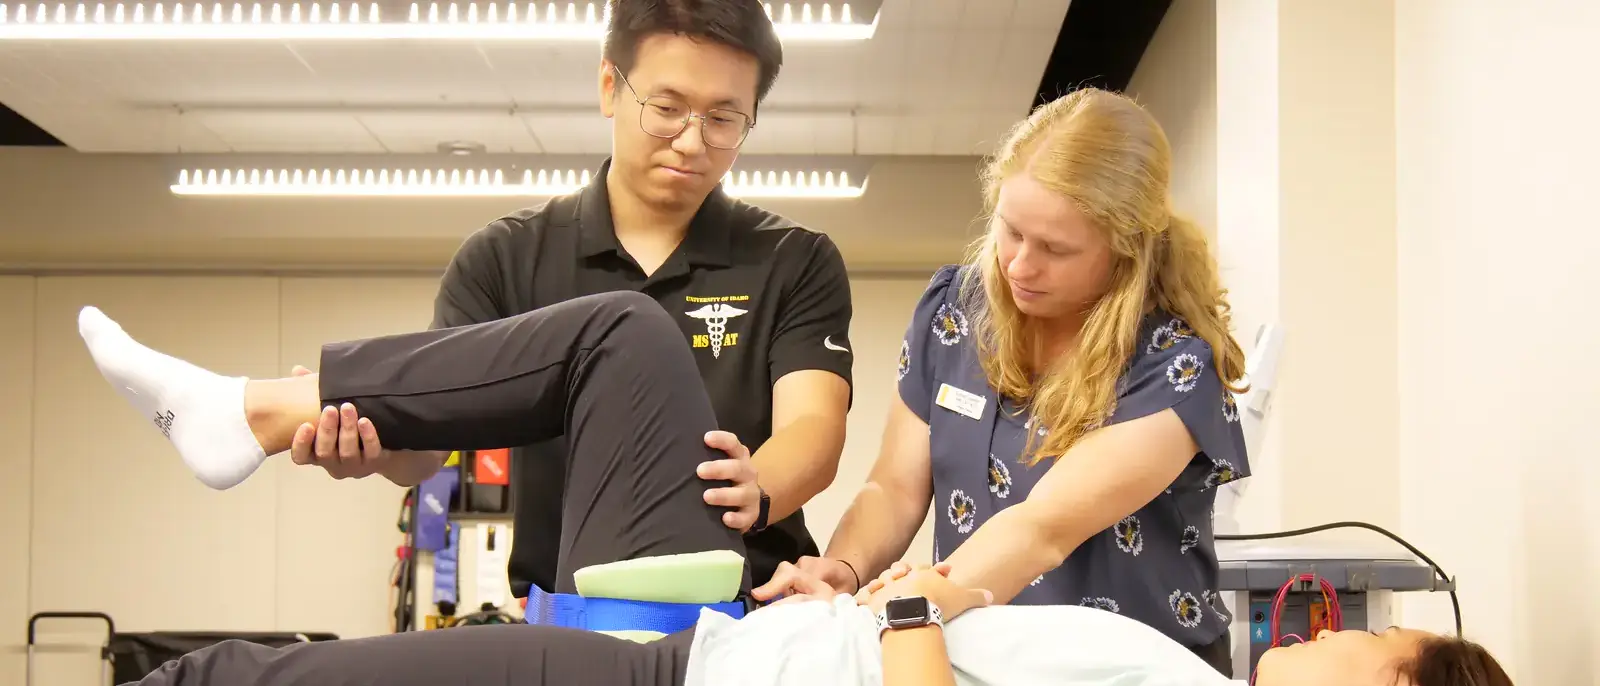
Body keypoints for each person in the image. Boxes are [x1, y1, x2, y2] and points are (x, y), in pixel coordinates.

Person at [79, 297, 1512, 686]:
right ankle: (251, 408)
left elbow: (1023, 540)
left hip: (709, 676)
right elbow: (900, 494)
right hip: (745, 633)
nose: (1320, 630)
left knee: (236, 678)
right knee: (621, 333)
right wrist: (863, 580)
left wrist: (908, 610)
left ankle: (239, 416)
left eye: (1360, 641)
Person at [284, 0, 854, 598]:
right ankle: (276, 409)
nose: (692, 142)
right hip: (569, 617)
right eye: (666, 109)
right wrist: (373, 452)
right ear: (611, 86)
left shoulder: (794, 260)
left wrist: (754, 485)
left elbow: (814, 426)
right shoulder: (505, 260)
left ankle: (260, 409)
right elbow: (426, 442)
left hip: (749, 611)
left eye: (724, 119)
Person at [752, 87, 1250, 673]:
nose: (1018, 264)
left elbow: (1043, 530)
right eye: (1010, 231)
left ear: (1126, 251)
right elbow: (894, 487)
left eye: (1055, 249)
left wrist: (896, 608)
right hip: (987, 664)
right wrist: (846, 570)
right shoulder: (953, 313)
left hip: (1134, 670)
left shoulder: (1174, 365)